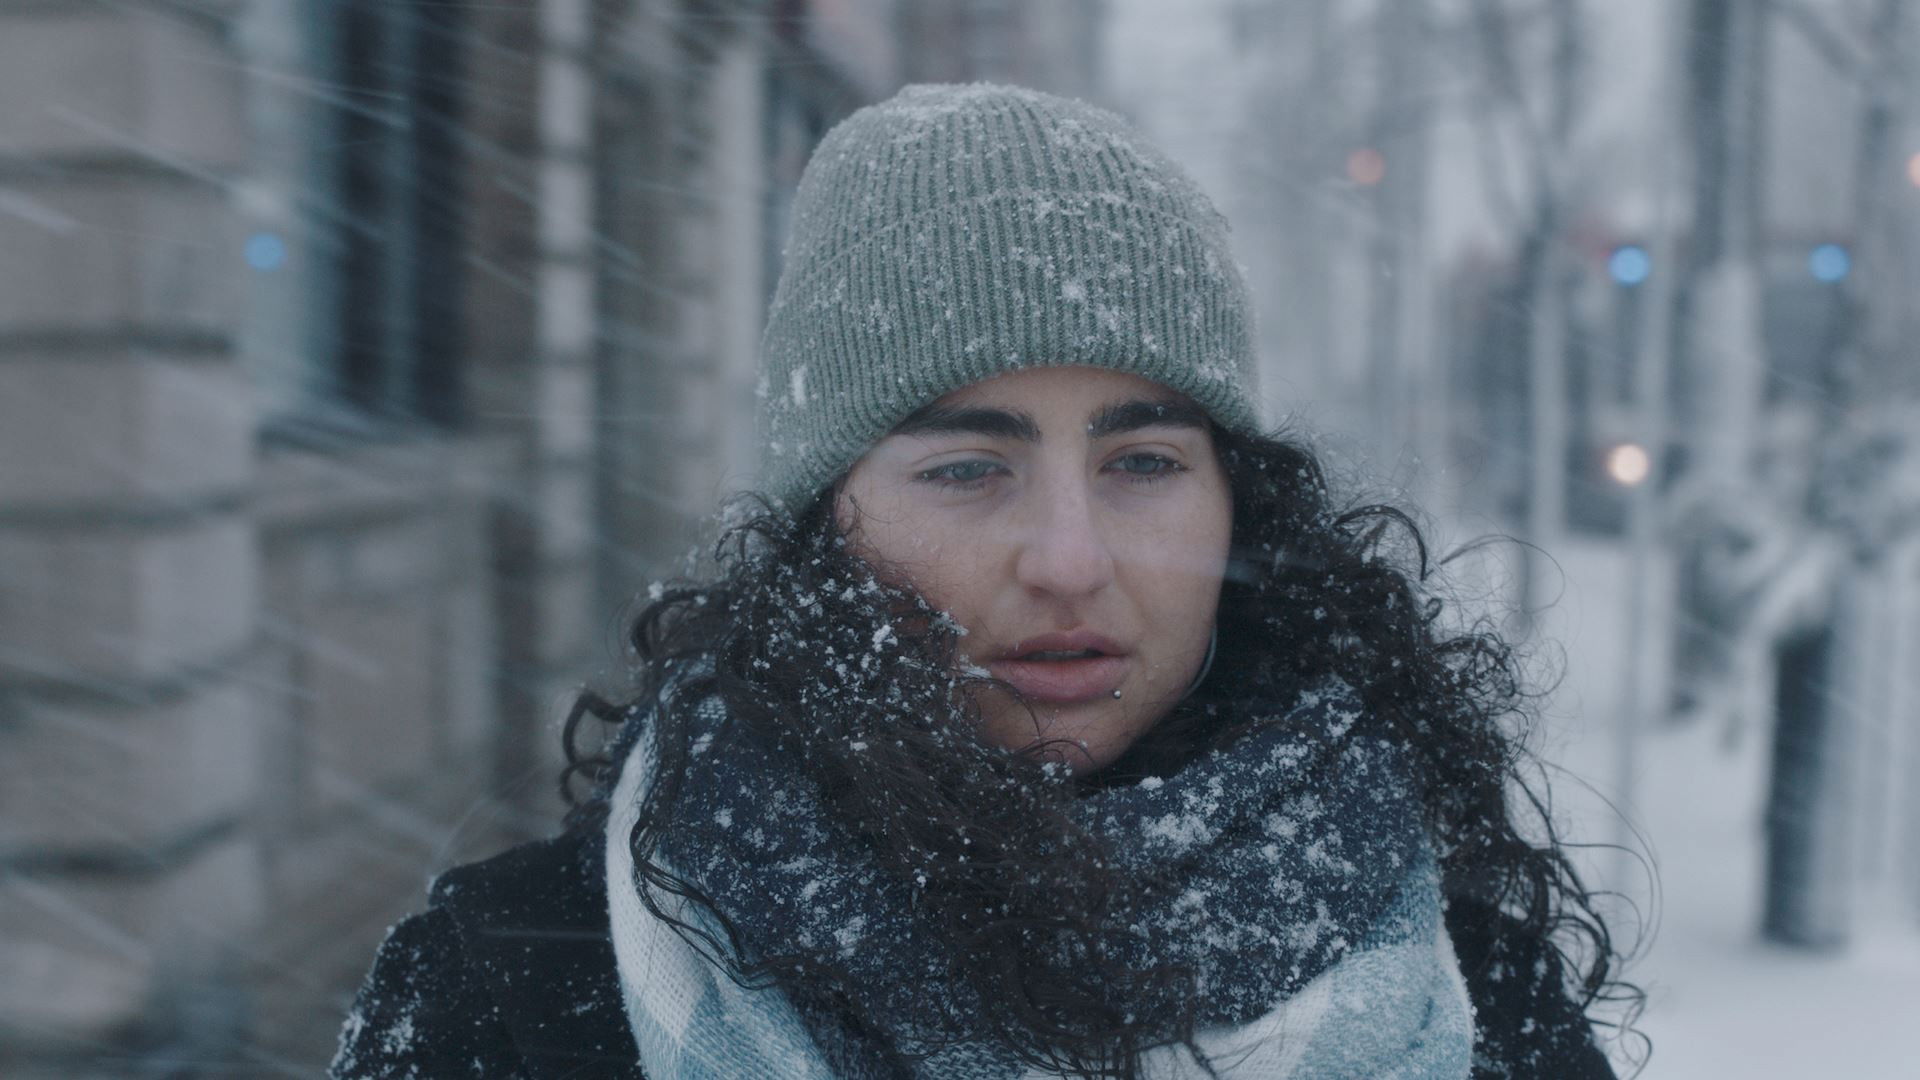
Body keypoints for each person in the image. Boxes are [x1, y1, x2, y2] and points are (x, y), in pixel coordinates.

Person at [331, 83, 1635, 1079]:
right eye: (965, 469)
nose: (1069, 559)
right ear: (819, 525)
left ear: (1244, 502)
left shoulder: (1471, 990)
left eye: (1142, 461)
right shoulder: (517, 992)